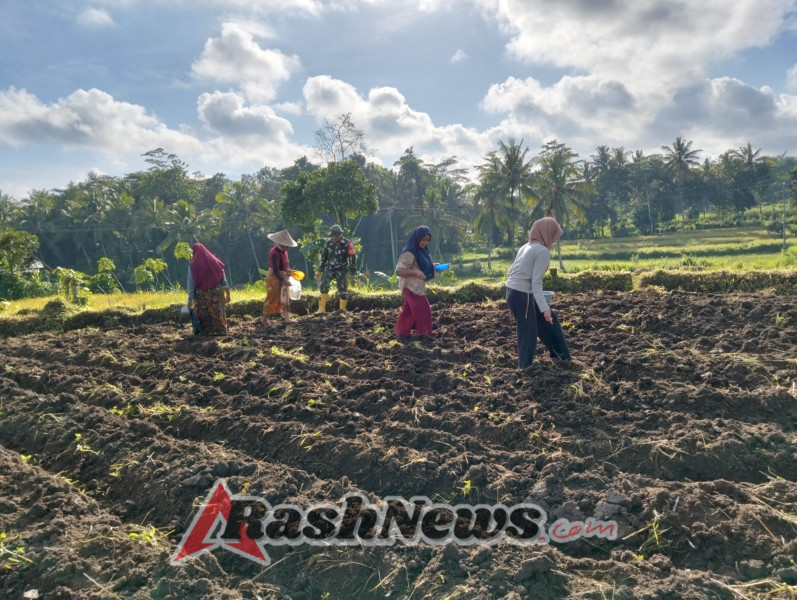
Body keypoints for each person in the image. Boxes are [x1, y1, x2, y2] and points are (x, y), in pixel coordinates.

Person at [505, 217, 571, 368]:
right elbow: (536, 282)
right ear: (547, 233)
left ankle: (562, 357)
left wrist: (544, 309)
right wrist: (545, 308)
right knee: (528, 332)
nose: (553, 241)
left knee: (548, 320)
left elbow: (515, 273)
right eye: (553, 236)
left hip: (513, 292)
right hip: (523, 295)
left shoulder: (526, 247)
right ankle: (525, 368)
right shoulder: (542, 251)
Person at [395, 225, 435, 339]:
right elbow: (399, 271)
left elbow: (419, 265)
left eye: (427, 240)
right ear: (417, 238)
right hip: (411, 287)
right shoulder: (409, 252)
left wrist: (433, 266)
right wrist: (415, 273)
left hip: (417, 286)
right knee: (424, 311)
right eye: (423, 240)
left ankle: (401, 334)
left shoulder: (422, 251)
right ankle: (425, 336)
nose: (425, 243)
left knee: (408, 312)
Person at [186, 243, 231, 336]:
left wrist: (190, 300)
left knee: (204, 315)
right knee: (218, 313)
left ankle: (206, 332)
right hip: (216, 294)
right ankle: (221, 331)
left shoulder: (193, 265)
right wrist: (228, 294)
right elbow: (224, 281)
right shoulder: (216, 262)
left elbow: (191, 284)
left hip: (201, 296)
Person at [315, 224, 357, 313]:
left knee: (342, 289)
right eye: (333, 236)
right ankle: (321, 309)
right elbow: (324, 257)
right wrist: (319, 270)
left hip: (341, 267)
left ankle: (342, 310)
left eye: (336, 236)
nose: (334, 237)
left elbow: (352, 258)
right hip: (329, 266)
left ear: (340, 234)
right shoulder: (328, 242)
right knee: (324, 284)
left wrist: (352, 272)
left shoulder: (347, 243)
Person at [263, 229, 299, 326]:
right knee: (272, 297)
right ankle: (265, 319)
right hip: (274, 277)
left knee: (285, 296)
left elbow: (284, 266)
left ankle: (287, 318)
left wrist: (289, 272)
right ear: (282, 244)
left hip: (283, 275)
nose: (288, 247)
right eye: (287, 245)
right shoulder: (274, 253)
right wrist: (283, 279)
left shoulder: (284, 251)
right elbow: (275, 269)